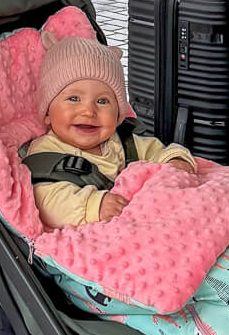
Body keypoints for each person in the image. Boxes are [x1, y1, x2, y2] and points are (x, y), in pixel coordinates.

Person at [24, 38, 196, 228]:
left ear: (117, 115)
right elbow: (46, 200)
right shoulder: (46, 152)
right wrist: (94, 206)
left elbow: (156, 151)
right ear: (48, 112)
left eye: (103, 101)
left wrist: (175, 160)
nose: (88, 111)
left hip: (144, 221)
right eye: (74, 99)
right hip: (94, 234)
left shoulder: (123, 141)